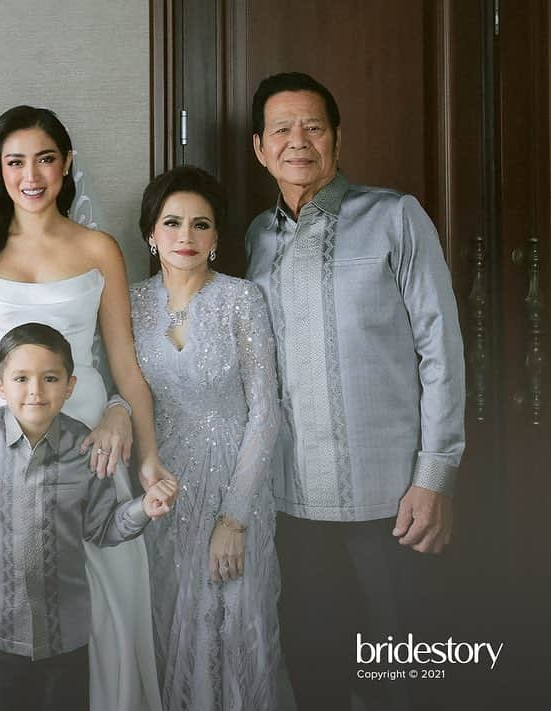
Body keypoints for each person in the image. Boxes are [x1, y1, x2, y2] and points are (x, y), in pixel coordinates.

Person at [0, 105, 170, 711]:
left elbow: (126, 364)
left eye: (46, 158)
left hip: (88, 436)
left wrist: (140, 442)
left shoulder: (99, 248)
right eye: (16, 160)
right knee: (0, 583)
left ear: (66, 164)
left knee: (96, 576)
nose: (32, 174)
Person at [245, 72, 465, 710]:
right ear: (260, 148)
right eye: (281, 129)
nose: (298, 142)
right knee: (315, 671)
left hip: (394, 501)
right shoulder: (257, 238)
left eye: (313, 126)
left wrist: (436, 475)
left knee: (407, 678)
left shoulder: (396, 216)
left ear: (336, 139)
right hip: (293, 503)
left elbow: (441, 351)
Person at [0, 323, 177, 711]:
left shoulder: (85, 448)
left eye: (50, 378)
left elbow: (102, 528)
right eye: (21, 378)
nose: (35, 390)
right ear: (0, 385)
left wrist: (144, 507)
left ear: (69, 387)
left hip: (65, 634)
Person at [131, 165, 282, 710]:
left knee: (235, 623)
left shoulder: (242, 300)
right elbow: (126, 390)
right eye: (172, 223)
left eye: (201, 225)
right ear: (151, 233)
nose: (186, 237)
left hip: (232, 483)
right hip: (162, 484)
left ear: (217, 237)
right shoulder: (129, 303)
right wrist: (111, 413)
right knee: (170, 622)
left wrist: (234, 518)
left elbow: (266, 412)